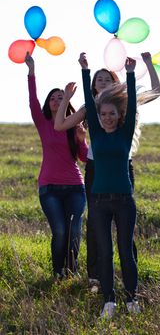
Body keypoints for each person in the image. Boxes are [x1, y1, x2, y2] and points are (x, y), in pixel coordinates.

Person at [54, 52, 160, 292]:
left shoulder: (124, 103)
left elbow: (155, 91)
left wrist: (150, 65)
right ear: (92, 85)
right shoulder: (89, 108)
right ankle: (96, 277)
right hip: (96, 169)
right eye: (98, 79)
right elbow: (60, 125)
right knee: (96, 224)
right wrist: (66, 99)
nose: (102, 82)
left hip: (123, 168)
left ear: (115, 82)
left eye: (106, 78)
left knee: (126, 227)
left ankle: (128, 276)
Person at [77, 52, 143, 318]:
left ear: (119, 115)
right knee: (105, 252)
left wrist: (129, 73)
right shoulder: (96, 129)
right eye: (103, 114)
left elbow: (134, 105)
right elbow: (90, 107)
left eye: (111, 114)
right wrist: (85, 70)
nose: (106, 117)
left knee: (126, 252)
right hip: (100, 202)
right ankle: (109, 301)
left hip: (125, 202)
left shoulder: (125, 135)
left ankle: (131, 299)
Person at [24, 52, 88, 281]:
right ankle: (57, 272)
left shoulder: (74, 126)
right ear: (48, 104)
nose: (57, 100)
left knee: (74, 232)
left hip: (75, 188)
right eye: (53, 98)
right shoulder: (44, 123)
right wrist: (31, 71)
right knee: (60, 231)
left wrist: (81, 139)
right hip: (49, 188)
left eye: (61, 97)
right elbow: (32, 100)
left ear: (67, 102)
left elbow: (83, 158)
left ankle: (72, 272)